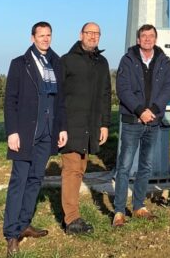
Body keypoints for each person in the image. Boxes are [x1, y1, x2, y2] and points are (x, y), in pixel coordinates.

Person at [3, 22, 68, 255]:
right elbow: (10, 100)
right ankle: (11, 234)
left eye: (49, 35)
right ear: (32, 38)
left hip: (47, 133)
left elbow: (60, 100)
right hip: (25, 133)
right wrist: (12, 131)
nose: (45, 39)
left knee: (35, 180)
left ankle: (24, 225)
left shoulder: (56, 63)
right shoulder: (20, 64)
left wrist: (61, 128)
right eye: (41, 35)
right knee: (19, 182)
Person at [112, 23, 170, 226]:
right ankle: (119, 211)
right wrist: (140, 110)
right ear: (138, 40)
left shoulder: (163, 60)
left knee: (146, 166)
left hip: (153, 121)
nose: (147, 39)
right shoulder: (128, 59)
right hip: (132, 120)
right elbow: (123, 88)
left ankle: (138, 205)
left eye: (151, 36)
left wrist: (154, 110)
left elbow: (168, 87)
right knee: (125, 166)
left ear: (156, 39)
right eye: (143, 36)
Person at [59, 22, 111, 235]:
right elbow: (59, 96)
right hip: (72, 125)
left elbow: (106, 94)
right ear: (81, 34)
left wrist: (105, 123)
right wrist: (60, 126)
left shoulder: (102, 62)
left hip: (91, 125)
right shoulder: (67, 61)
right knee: (71, 170)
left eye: (96, 33)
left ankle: (73, 214)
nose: (92, 36)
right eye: (89, 33)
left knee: (80, 169)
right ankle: (71, 220)